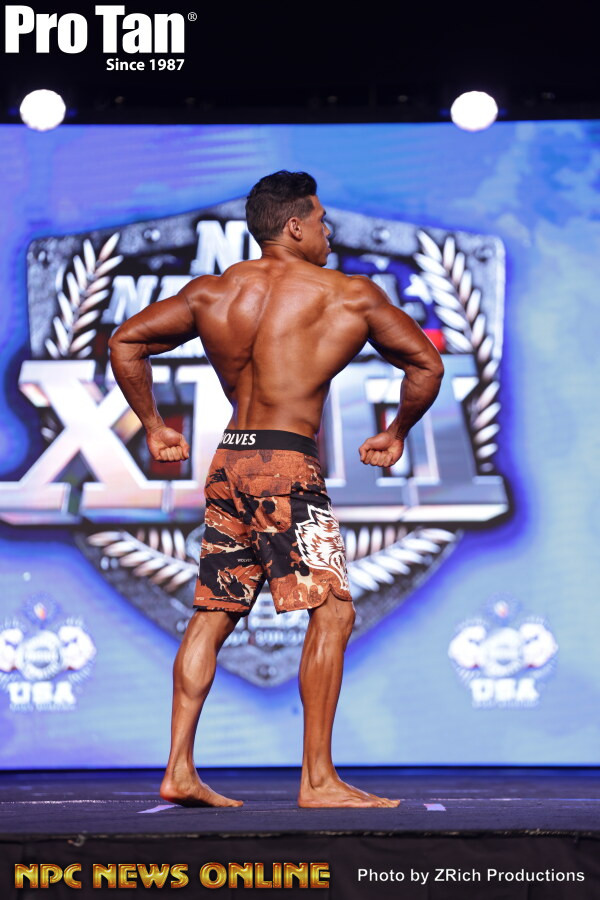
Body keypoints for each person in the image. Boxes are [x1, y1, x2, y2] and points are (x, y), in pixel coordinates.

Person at [108, 171, 443, 808]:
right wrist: (396, 431)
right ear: (294, 226)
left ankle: (179, 769)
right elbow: (425, 362)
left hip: (229, 462)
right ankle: (317, 781)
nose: (328, 232)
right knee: (334, 612)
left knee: (215, 611)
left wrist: (154, 426)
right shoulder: (349, 295)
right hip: (286, 466)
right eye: (321, 221)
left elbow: (126, 340)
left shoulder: (213, 291)